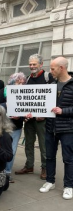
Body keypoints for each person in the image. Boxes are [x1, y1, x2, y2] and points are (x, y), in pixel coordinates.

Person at [15, 54, 54, 180]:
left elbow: (53, 97)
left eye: (34, 64)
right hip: (29, 119)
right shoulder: (27, 79)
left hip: (43, 120)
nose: (32, 66)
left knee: (44, 144)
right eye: (30, 64)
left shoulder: (49, 77)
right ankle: (29, 165)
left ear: (41, 64)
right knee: (28, 143)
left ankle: (45, 167)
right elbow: (25, 99)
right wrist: (23, 113)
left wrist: (44, 114)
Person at [39, 57, 73, 200]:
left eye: (53, 68)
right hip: (50, 127)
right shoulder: (51, 84)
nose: (50, 71)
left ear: (61, 68)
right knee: (50, 156)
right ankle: (50, 181)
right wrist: (37, 113)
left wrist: (63, 111)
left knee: (68, 158)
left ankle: (69, 186)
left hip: (67, 128)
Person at [0, 72, 26, 182]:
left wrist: (20, 117)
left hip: (16, 127)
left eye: (23, 82)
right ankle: (0, 170)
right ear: (12, 82)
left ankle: (7, 173)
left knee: (12, 150)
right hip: (3, 127)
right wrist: (5, 106)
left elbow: (26, 110)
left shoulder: (24, 94)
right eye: (18, 82)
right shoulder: (2, 93)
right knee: (1, 148)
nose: (21, 85)